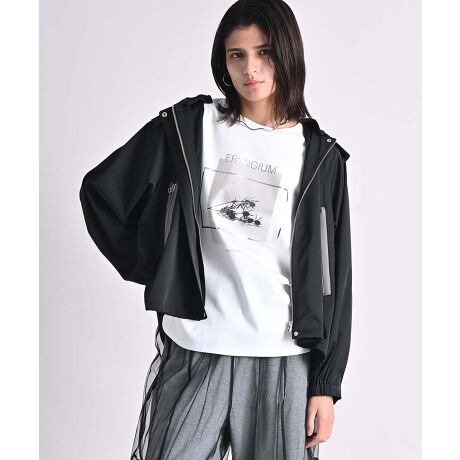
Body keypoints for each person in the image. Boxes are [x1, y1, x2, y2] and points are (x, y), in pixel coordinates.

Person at [79, 0, 352, 459]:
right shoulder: (191, 126)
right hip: (196, 347)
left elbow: (336, 279)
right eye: (236, 54)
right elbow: (103, 193)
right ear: (223, 61)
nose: (250, 68)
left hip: (282, 356)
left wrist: (326, 383)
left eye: (264, 52)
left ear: (288, 54)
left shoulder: (319, 156)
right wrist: (160, 268)